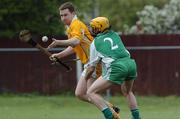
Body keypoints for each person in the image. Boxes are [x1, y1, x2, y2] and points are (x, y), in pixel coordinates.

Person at [47, 2, 120, 118]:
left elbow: (75, 41)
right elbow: (73, 47)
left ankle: (112, 114)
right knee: (80, 94)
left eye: (65, 15)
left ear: (73, 13)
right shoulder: (70, 28)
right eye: (61, 16)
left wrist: (58, 42)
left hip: (94, 63)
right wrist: (59, 55)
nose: (63, 18)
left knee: (90, 93)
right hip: (89, 63)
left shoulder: (76, 24)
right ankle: (110, 108)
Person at [84, 17, 141, 119]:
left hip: (117, 67)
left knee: (90, 92)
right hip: (130, 63)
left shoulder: (95, 43)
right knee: (128, 92)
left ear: (99, 28)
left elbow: (91, 68)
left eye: (93, 27)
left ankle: (110, 117)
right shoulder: (115, 35)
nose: (91, 29)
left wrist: (85, 78)